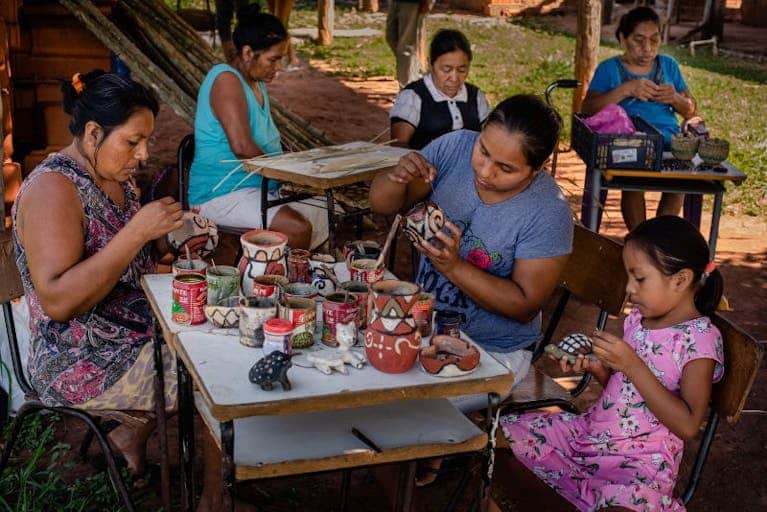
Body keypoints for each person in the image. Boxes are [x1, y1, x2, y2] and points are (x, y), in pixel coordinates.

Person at [371, 94, 572, 459]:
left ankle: (430, 452)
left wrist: (454, 268)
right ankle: (426, 449)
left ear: (538, 168)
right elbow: (383, 204)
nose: (484, 171)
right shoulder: (454, 148)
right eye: (483, 151)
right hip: (425, 327)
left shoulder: (547, 212)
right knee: (364, 381)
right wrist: (397, 177)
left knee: (393, 407)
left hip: (495, 350)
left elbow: (525, 305)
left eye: (506, 169)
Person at [11, 70, 183, 485]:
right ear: (92, 133)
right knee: (207, 371)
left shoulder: (117, 176)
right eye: (132, 141)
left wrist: (171, 243)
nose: (142, 155)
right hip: (77, 358)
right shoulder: (54, 188)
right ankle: (214, 497)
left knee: (212, 336)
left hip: (129, 329)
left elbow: (134, 262)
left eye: (147, 141)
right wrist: (137, 232)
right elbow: (57, 301)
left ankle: (130, 435)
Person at [493, 215, 724, 512]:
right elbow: (627, 394)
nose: (629, 288)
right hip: (589, 437)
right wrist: (599, 369)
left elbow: (689, 425)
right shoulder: (639, 321)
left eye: (639, 278)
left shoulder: (699, 340)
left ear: (680, 280)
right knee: (500, 437)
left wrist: (632, 365)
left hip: (637, 464)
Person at [190, 4, 328, 250]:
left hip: (258, 187)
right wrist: (289, 173)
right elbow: (242, 147)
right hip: (221, 194)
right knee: (297, 227)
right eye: (273, 60)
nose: (278, 67)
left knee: (326, 210)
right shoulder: (226, 80)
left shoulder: (255, 82)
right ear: (246, 52)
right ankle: (286, 282)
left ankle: (296, 273)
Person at [582, 6, 697, 231]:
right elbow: (587, 108)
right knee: (633, 180)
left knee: (682, 179)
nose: (647, 48)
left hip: (669, 143)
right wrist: (625, 90)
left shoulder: (668, 65)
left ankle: (656, 238)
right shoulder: (609, 69)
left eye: (654, 40)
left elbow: (691, 109)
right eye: (639, 40)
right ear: (623, 38)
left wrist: (675, 99)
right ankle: (639, 235)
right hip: (630, 145)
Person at [390, 29, 490, 150]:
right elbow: (398, 147)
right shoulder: (413, 96)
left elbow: (490, 139)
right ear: (430, 65)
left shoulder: (475, 96)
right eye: (446, 69)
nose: (454, 78)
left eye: (462, 70)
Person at [386, 0, 432, 89]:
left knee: (405, 49)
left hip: (413, 3)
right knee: (391, 38)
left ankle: (406, 89)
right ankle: (418, 74)